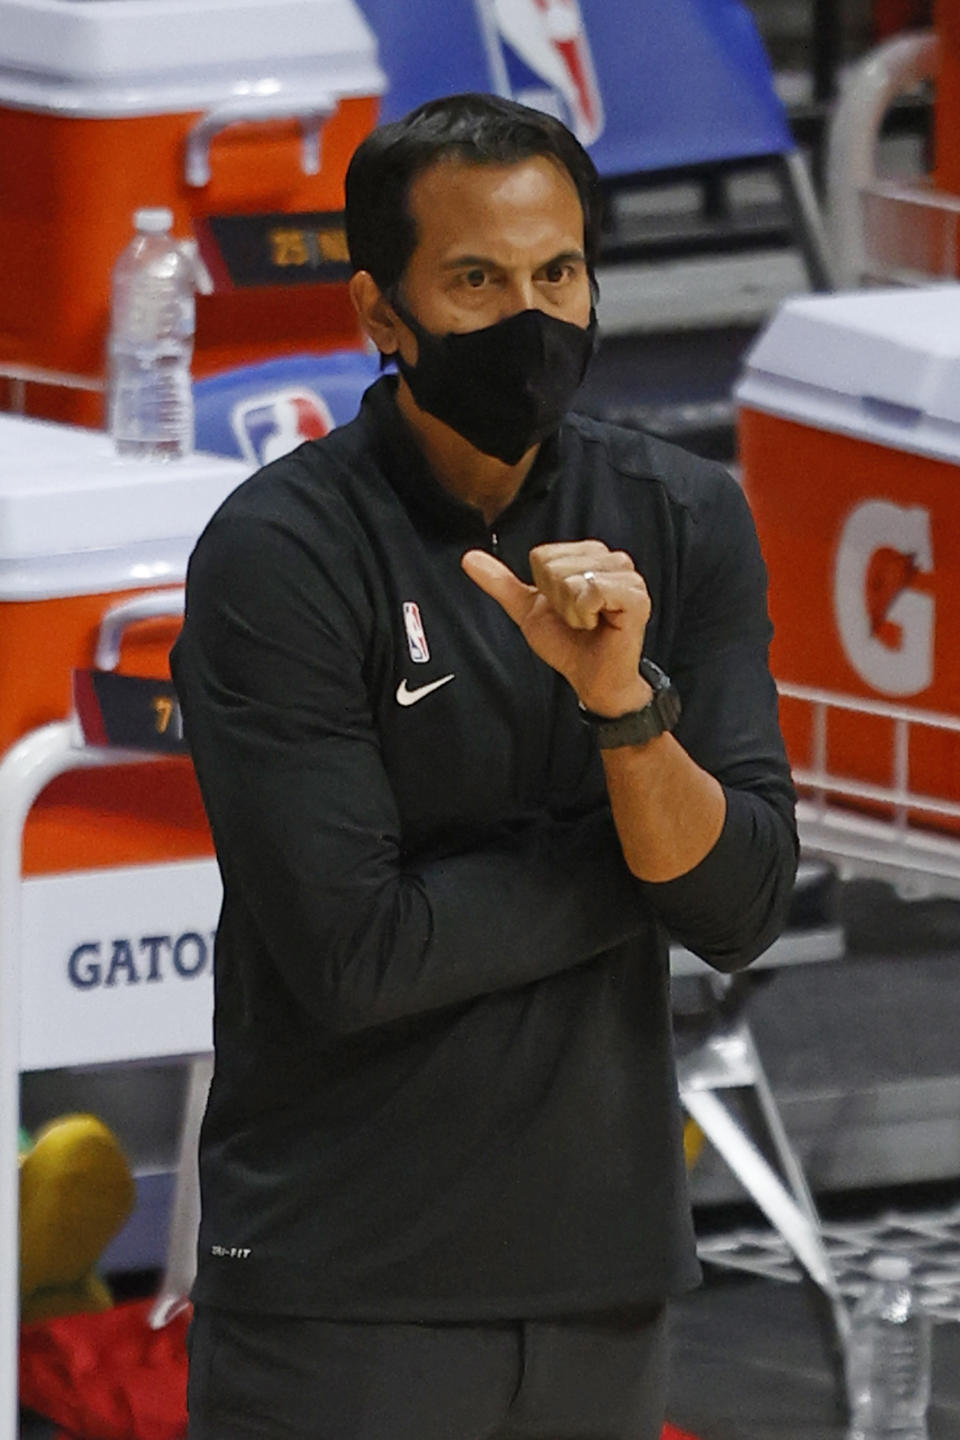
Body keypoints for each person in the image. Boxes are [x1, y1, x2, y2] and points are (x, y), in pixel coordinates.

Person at [171, 92, 798, 1440]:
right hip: (341, 1290)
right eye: (476, 281)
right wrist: (634, 861)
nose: (531, 318)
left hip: (605, 1275)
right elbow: (358, 954)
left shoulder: (681, 518)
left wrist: (626, 712)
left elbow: (743, 904)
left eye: (558, 273)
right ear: (379, 314)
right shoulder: (281, 557)